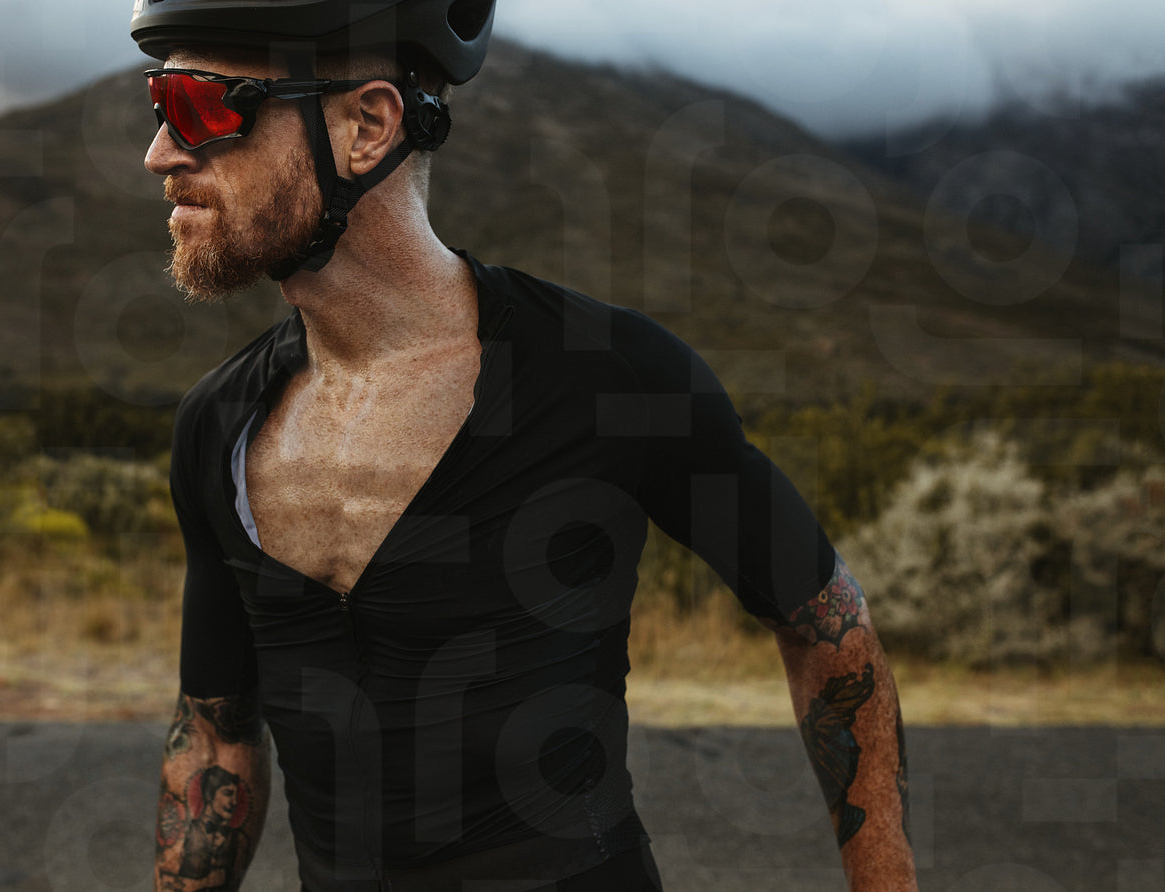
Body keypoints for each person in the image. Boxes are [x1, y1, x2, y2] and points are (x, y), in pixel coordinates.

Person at [130, 0, 919, 889]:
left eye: (200, 104)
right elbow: (215, 737)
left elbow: (828, 629)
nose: (160, 152)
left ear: (368, 126)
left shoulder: (609, 378)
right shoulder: (217, 426)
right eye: (158, 102)